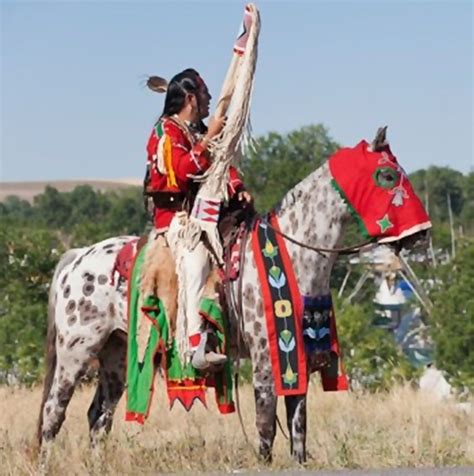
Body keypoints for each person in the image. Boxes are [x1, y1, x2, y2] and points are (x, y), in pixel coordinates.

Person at [143, 68, 251, 369]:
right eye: (205, 94)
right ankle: (195, 343)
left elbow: (219, 165)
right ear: (191, 98)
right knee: (197, 260)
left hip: (207, 215)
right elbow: (181, 172)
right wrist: (211, 136)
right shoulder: (167, 132)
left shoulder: (197, 131)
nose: (210, 99)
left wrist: (237, 188)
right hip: (177, 219)